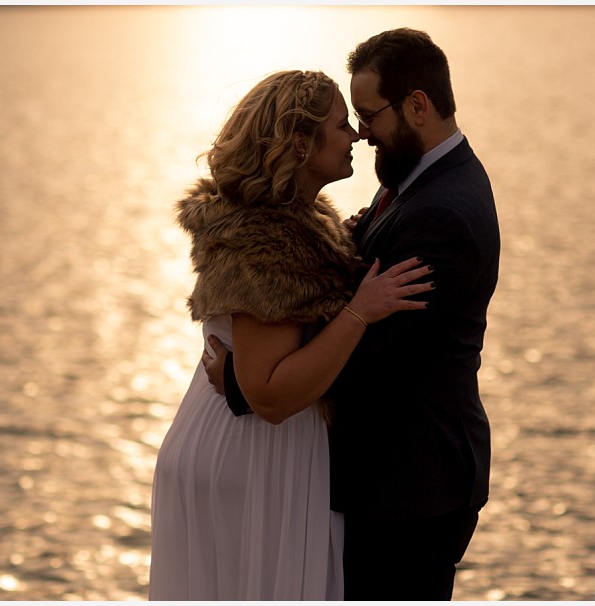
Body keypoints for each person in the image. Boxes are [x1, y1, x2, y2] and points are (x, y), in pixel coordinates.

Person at [205, 29, 500, 600]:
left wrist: (248, 386)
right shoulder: (420, 184)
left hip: (410, 489)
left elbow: (379, 357)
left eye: (368, 116)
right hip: (396, 481)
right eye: (352, 120)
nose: (362, 135)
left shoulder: (444, 214)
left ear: (418, 105)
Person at [147, 69, 435, 600]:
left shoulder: (298, 224)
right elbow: (270, 395)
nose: (355, 136)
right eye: (340, 125)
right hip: (252, 456)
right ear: (301, 143)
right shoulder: (268, 240)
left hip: (252, 445)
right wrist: (359, 312)